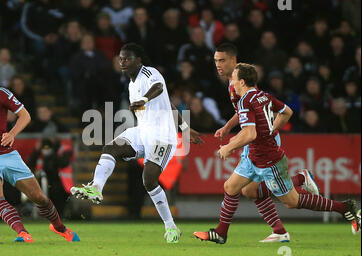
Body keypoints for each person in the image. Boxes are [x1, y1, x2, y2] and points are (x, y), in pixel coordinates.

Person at [194, 63, 361, 244]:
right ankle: (221, 233)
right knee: (234, 187)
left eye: (234, 79)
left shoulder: (245, 101)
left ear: (241, 82)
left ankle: (343, 207)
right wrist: (271, 129)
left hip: (269, 161)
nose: (232, 82)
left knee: (292, 201)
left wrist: (229, 147)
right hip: (254, 158)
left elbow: (250, 134)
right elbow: (286, 112)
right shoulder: (263, 96)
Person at [71, 43, 203, 243]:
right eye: (121, 58)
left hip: (162, 136)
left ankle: (171, 227)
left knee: (149, 180)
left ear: (139, 60)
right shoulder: (132, 83)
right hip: (143, 131)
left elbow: (158, 88)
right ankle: (96, 188)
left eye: (127, 58)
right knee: (111, 148)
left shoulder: (149, 73)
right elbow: (168, 103)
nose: (122, 61)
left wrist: (143, 99)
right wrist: (185, 127)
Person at [205, 43, 320, 243]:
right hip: (254, 136)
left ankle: (302, 184)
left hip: (259, 138)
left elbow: (254, 110)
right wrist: (226, 127)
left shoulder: (242, 84)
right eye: (215, 61)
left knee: (283, 198)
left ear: (233, 61)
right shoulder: (233, 84)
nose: (218, 65)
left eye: (222, 60)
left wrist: (234, 144)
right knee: (247, 190)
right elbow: (241, 112)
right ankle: (279, 229)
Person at [0, 59, 79, 243]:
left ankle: (60, 227)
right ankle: (23, 233)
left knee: (39, 197)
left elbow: (25, 115)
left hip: (7, 155)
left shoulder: (0, 94)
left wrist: (12, 133)